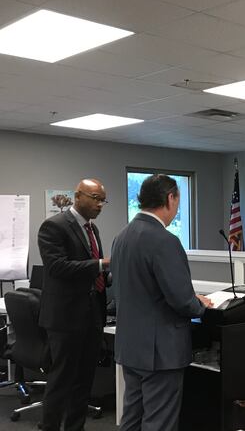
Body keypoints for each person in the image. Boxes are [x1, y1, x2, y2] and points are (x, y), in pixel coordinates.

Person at [112, 174, 213, 431]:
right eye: (177, 200)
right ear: (170, 198)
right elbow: (180, 300)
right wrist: (198, 304)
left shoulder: (121, 237)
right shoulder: (165, 240)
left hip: (130, 346)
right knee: (159, 421)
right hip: (160, 352)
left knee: (132, 417)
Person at [37, 179, 110, 431]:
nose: (100, 204)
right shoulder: (54, 226)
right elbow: (57, 267)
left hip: (91, 315)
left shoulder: (93, 229)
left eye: (103, 200)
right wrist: (101, 265)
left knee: (84, 381)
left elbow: (89, 271)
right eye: (95, 198)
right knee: (61, 381)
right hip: (65, 318)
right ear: (78, 197)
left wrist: (107, 274)